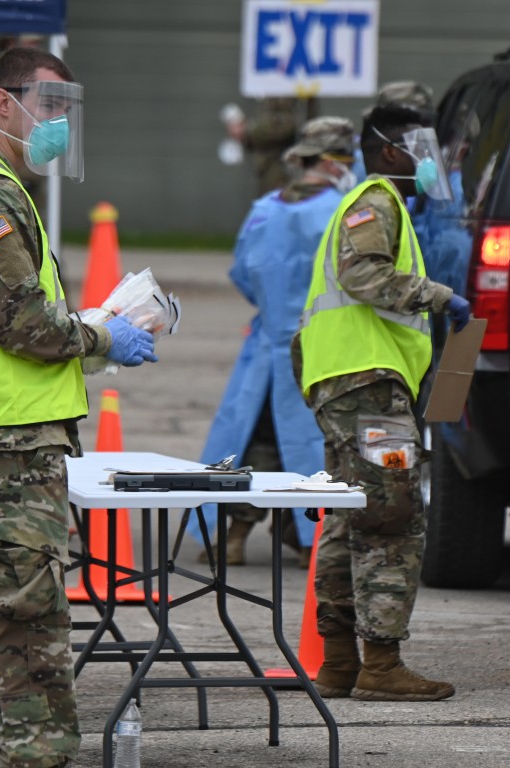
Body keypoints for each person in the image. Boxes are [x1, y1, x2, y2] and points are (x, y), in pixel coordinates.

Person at [0, 46, 159, 768]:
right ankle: (37, 756)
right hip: (12, 444)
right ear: (3, 104)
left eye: (65, 110)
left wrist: (90, 336)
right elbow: (23, 325)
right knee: (26, 626)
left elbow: (8, 322)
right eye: (49, 107)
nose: (58, 124)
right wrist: (100, 335)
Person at [293, 103, 470, 702]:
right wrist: (438, 296)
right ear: (392, 153)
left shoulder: (374, 205)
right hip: (368, 386)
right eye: (421, 148)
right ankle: (382, 665)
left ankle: (340, 661)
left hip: (348, 385)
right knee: (392, 519)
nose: (430, 162)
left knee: (350, 518)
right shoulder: (375, 204)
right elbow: (363, 275)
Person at [198, 116, 359, 568]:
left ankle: (234, 531)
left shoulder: (266, 208)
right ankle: (313, 538)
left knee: (256, 434)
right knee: (318, 442)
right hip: (324, 348)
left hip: (267, 347)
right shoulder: (342, 210)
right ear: (333, 163)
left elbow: (241, 272)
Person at [226, 96, 320, 195]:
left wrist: (248, 132)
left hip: (286, 169)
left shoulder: (289, 92)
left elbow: (289, 126)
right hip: (269, 170)